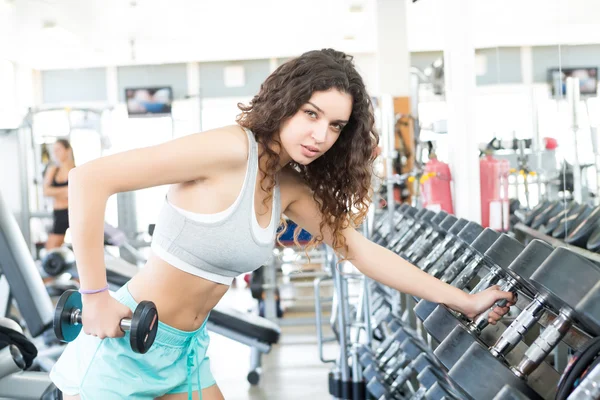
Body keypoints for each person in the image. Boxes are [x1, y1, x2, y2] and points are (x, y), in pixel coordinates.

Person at [49, 49, 515, 400]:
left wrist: (465, 301)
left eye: (335, 126)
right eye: (311, 114)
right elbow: (89, 178)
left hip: (186, 351)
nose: (320, 135)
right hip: (127, 344)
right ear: (285, 102)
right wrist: (94, 297)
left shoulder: (288, 186)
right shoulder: (231, 149)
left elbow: (361, 250)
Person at [43, 138, 76, 251]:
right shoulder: (53, 170)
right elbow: (46, 191)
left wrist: (57, 192)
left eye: (58, 150)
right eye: (54, 150)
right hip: (60, 214)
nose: (55, 153)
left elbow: (77, 193)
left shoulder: (76, 170)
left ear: (68, 150)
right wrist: (66, 191)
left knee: (80, 247)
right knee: (51, 248)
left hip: (74, 212)